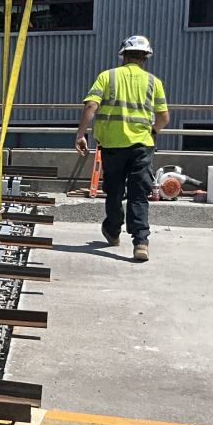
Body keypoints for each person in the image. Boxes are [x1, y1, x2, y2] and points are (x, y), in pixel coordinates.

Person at [76, 35, 169, 262]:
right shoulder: (153, 82)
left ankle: (113, 230)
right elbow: (164, 117)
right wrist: (152, 132)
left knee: (115, 190)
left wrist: (80, 134)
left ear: (123, 55)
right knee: (139, 194)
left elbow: (91, 105)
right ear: (145, 58)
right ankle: (141, 242)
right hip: (142, 146)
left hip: (112, 146)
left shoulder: (107, 77)